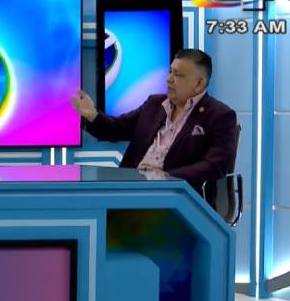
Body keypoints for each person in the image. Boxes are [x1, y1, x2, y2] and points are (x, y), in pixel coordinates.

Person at [71, 48, 238, 193]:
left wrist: (168, 177)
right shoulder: (154, 104)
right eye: (170, 71)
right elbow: (117, 129)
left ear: (199, 84)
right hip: (131, 189)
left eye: (177, 74)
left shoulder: (219, 115)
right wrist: (92, 115)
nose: (169, 79)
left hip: (177, 196)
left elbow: (216, 165)